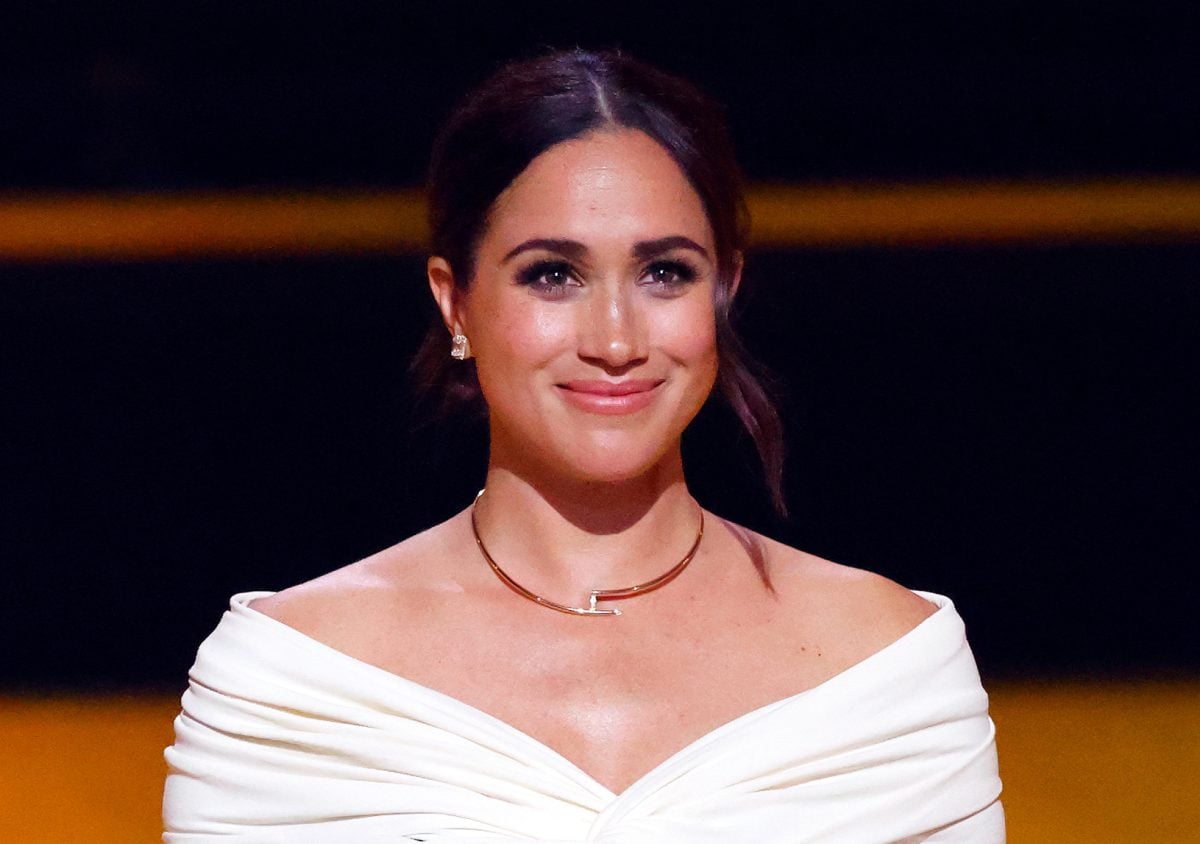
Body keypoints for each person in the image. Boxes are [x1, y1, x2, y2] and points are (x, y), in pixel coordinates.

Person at [163, 49, 1003, 842]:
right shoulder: (292, 684)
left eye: (665, 272)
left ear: (724, 291)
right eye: (553, 275)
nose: (615, 340)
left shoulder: (887, 670)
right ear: (455, 301)